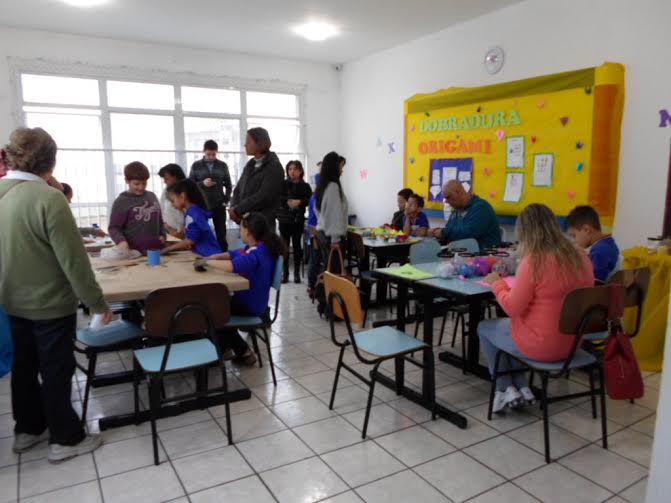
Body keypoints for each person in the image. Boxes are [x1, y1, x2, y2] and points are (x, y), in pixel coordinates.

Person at [0, 127, 111, 462]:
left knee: (23, 367)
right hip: (49, 304)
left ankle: (28, 430)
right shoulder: (49, 200)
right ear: (51, 160)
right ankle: (66, 437)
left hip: (11, 301)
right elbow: (74, 261)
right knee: (56, 370)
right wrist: (97, 303)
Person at [479, 203, 594, 412]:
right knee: (511, 329)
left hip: (543, 346)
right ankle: (521, 386)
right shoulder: (580, 255)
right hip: (574, 343)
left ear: (525, 231)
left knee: (486, 327)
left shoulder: (534, 261)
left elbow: (512, 308)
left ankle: (504, 389)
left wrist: (497, 283)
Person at [204, 213, 285, 365]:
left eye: (240, 228)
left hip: (250, 305)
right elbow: (234, 254)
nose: (239, 231)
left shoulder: (257, 253)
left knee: (213, 310)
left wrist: (206, 263)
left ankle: (242, 351)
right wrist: (214, 257)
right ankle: (225, 349)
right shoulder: (259, 247)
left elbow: (234, 266)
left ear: (248, 231)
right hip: (254, 301)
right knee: (216, 305)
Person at [229, 128, 284, 227]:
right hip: (246, 219)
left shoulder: (274, 167)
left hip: (262, 223)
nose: (245, 145)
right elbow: (238, 189)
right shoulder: (250, 165)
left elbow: (264, 196)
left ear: (260, 143)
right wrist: (233, 207)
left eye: (248, 141)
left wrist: (238, 209)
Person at [108, 161, 165, 255]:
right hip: (135, 253)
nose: (141, 187)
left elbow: (159, 220)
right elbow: (114, 228)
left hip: (157, 250)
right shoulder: (121, 201)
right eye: (136, 184)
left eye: (144, 183)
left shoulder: (152, 196)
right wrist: (121, 241)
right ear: (127, 180)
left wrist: (163, 234)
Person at [430, 180, 501, 250]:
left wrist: (442, 233)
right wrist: (435, 235)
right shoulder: (456, 210)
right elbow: (450, 232)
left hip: (484, 256)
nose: (447, 202)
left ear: (458, 192)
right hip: (463, 254)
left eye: (448, 197)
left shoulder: (481, 208)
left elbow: (468, 233)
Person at [160, 179, 222, 257]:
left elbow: (190, 241)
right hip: (206, 252)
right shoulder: (193, 211)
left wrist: (169, 248)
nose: (172, 205)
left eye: (173, 201)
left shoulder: (193, 214)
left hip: (208, 254)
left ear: (182, 196)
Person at [189, 140, 232, 251]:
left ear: (217, 152)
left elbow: (228, 184)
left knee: (221, 234)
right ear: (204, 152)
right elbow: (190, 185)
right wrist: (202, 183)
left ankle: (223, 257)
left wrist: (226, 200)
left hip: (219, 204)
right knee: (201, 232)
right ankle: (200, 255)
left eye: (214, 154)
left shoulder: (222, 165)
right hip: (202, 204)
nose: (211, 157)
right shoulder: (196, 165)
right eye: (208, 154)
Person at [277, 160, 312, 284]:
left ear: (300, 171)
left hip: (297, 221)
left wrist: (300, 202)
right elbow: (278, 198)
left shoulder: (305, 186)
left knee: (297, 247)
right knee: (284, 248)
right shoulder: (283, 184)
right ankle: (285, 273)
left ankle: (296, 274)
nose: (292, 171)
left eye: (295, 169)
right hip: (284, 220)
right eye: (290, 169)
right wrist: (287, 202)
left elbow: (309, 199)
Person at [566, 205, 620, 283]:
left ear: (586, 230)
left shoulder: (599, 251)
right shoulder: (608, 243)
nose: (573, 240)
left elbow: (596, 284)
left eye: (573, 235)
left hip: (601, 293)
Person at [315, 151, 348, 274]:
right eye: (340, 167)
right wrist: (335, 239)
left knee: (329, 272)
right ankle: (330, 293)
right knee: (335, 273)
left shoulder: (322, 186)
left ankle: (327, 292)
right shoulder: (333, 187)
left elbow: (318, 210)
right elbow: (334, 215)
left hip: (323, 234)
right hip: (332, 238)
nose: (342, 170)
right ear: (334, 168)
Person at [158, 163, 186, 238]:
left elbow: (190, 214)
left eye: (167, 179)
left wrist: (181, 231)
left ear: (176, 177)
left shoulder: (187, 191)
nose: (164, 181)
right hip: (168, 230)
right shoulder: (166, 191)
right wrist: (166, 227)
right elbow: (161, 209)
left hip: (183, 233)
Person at [306, 172, 321, 298]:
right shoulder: (318, 197)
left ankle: (312, 285)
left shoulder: (314, 195)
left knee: (314, 259)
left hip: (313, 229)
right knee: (315, 259)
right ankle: (312, 285)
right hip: (316, 231)